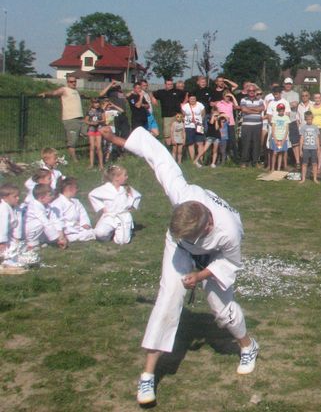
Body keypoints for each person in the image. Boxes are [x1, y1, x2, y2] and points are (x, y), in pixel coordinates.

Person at [99, 126, 258, 406]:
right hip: (180, 247)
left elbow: (229, 263)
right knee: (168, 298)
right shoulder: (182, 194)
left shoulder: (229, 230)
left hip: (216, 256)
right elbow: (158, 156)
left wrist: (200, 275)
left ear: (208, 225)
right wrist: (117, 140)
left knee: (221, 309)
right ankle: (148, 375)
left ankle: (248, 345)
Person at [89, 165, 141, 244]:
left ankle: (122, 231)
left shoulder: (126, 188)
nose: (127, 177)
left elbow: (137, 196)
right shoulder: (105, 188)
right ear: (116, 177)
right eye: (125, 175)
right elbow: (92, 195)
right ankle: (109, 233)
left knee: (122, 241)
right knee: (99, 234)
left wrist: (131, 205)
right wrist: (102, 207)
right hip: (109, 216)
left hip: (123, 217)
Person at [38, 75, 83, 161]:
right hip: (70, 119)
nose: (73, 83)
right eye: (71, 82)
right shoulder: (64, 89)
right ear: (67, 82)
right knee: (72, 142)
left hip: (80, 118)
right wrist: (45, 93)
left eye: (75, 81)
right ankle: (74, 160)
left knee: (90, 133)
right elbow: (54, 93)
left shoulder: (75, 91)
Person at [25, 184, 68, 250]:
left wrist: (61, 237)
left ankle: (41, 241)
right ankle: (31, 244)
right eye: (50, 195)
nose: (52, 197)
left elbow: (55, 220)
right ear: (41, 198)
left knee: (50, 223)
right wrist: (57, 238)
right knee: (40, 223)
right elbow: (45, 222)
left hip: (40, 230)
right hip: (31, 229)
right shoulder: (34, 206)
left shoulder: (47, 205)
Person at [52, 177, 95, 242]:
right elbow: (57, 220)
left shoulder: (76, 202)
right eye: (76, 187)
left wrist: (85, 223)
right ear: (69, 189)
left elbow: (83, 214)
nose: (77, 190)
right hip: (68, 231)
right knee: (94, 233)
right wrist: (62, 234)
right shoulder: (57, 203)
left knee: (95, 232)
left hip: (79, 229)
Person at [153, 78, 186, 147]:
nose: (170, 85)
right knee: (167, 134)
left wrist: (184, 103)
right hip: (167, 116)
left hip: (177, 115)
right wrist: (153, 98)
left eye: (171, 84)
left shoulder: (178, 91)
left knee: (178, 132)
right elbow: (152, 93)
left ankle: (177, 149)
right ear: (165, 85)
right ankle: (169, 149)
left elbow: (187, 94)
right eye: (168, 84)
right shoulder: (161, 92)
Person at [238, 85, 265, 167]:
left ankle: (255, 162)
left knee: (256, 144)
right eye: (250, 90)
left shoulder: (260, 100)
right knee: (246, 143)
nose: (251, 92)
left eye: (253, 90)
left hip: (257, 124)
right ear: (247, 91)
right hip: (247, 125)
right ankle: (244, 161)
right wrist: (256, 111)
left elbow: (262, 108)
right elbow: (243, 109)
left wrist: (249, 110)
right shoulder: (243, 100)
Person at [0, 184, 23, 260]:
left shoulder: (17, 208)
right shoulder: (3, 209)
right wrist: (2, 242)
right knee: (6, 253)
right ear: (5, 198)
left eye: (18, 196)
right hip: (2, 236)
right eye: (15, 197)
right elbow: (2, 227)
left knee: (18, 249)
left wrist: (17, 238)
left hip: (9, 236)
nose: (18, 198)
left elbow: (17, 225)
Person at [298, 111, 320, 184]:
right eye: (307, 119)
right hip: (305, 148)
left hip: (314, 148)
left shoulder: (315, 127)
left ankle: (315, 178)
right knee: (304, 164)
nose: (309, 121)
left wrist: (318, 148)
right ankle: (303, 179)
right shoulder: (303, 127)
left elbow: (317, 138)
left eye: (310, 119)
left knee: (314, 163)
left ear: (312, 118)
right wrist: (300, 150)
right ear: (305, 119)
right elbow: (301, 139)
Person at [85, 98, 106, 170]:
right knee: (92, 147)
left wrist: (99, 121)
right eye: (95, 103)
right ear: (92, 103)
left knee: (99, 147)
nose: (96, 104)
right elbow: (86, 120)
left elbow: (104, 119)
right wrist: (91, 123)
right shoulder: (89, 111)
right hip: (91, 129)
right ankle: (91, 164)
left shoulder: (101, 110)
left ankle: (101, 165)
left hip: (99, 129)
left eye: (97, 103)